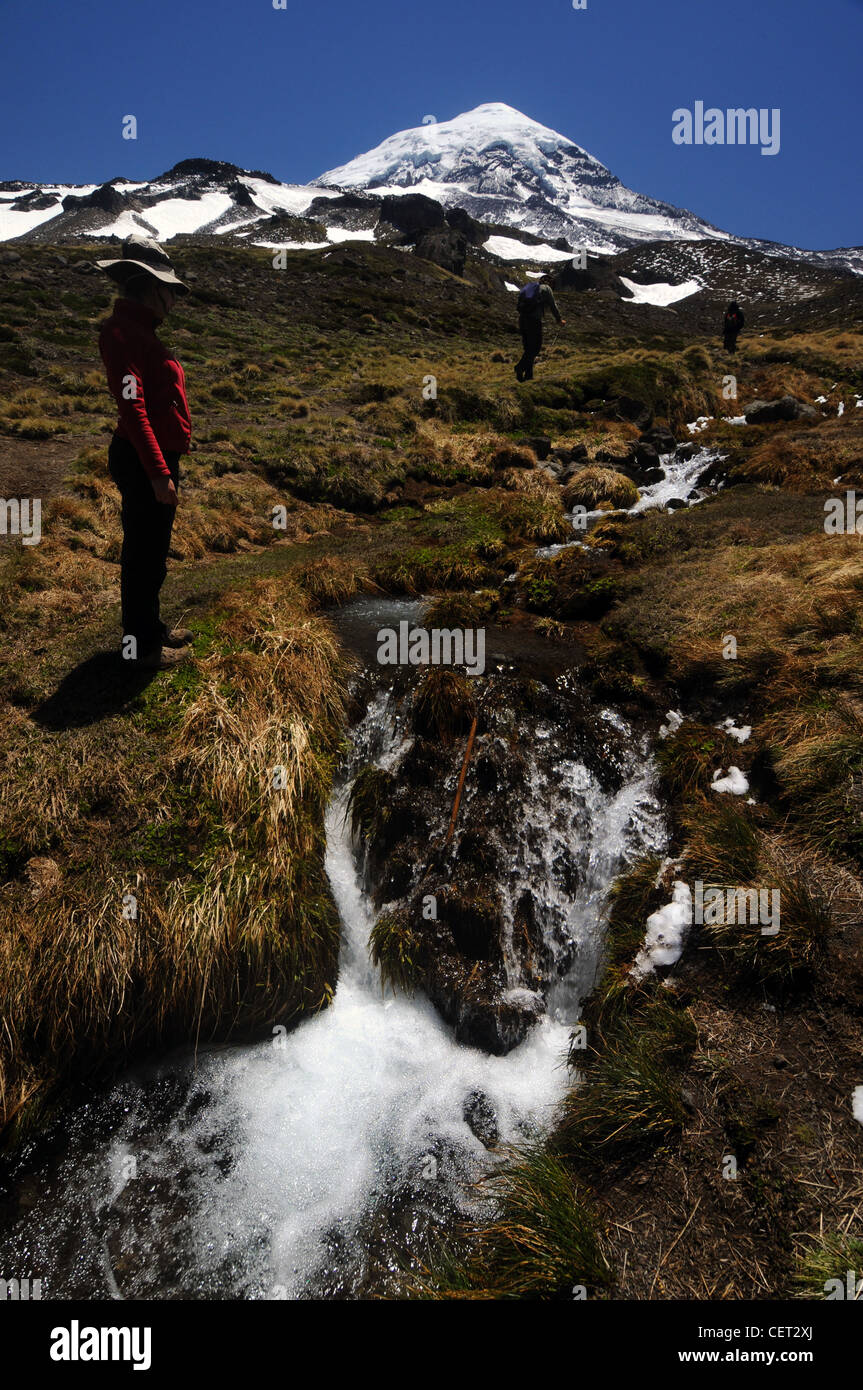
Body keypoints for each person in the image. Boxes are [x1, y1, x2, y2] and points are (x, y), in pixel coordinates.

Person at [96, 237, 193, 670]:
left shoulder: (137, 331)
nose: (174, 298)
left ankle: (151, 630)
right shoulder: (122, 333)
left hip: (151, 457)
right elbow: (132, 408)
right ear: (151, 287)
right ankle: (140, 650)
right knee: (143, 554)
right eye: (170, 289)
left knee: (152, 550)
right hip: (142, 460)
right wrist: (158, 472)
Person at [515, 273, 565, 382]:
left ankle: (528, 376)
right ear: (550, 283)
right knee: (535, 348)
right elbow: (553, 306)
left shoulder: (531, 288)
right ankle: (519, 367)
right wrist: (559, 320)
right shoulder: (547, 289)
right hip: (533, 321)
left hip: (522, 319)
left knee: (528, 348)